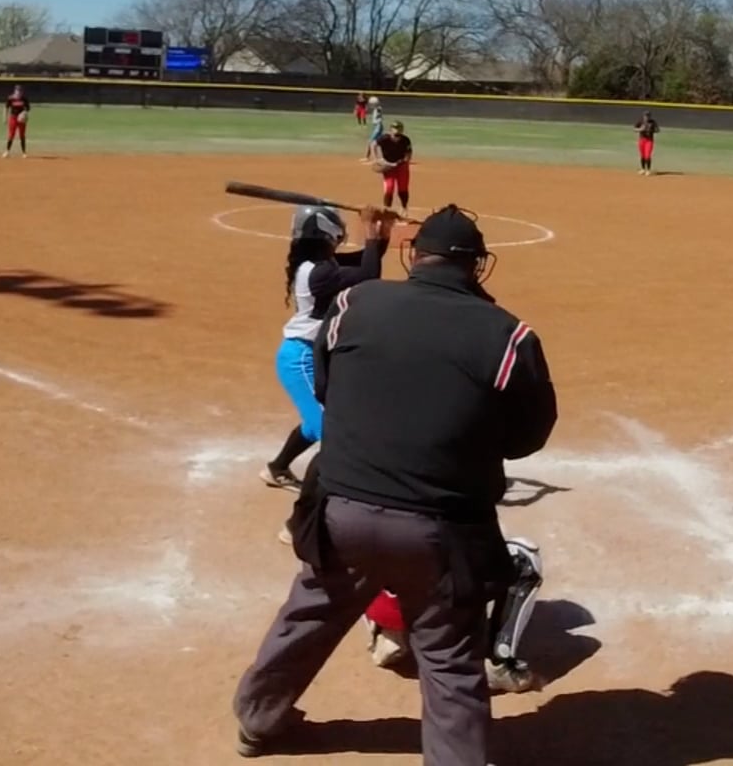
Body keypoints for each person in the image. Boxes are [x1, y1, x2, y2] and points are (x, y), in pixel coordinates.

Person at [232, 205, 558, 766]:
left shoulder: (355, 303)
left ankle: (257, 720)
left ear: (414, 255)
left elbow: (328, 387)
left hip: (340, 508)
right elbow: (527, 437)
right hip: (440, 528)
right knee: (450, 655)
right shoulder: (508, 334)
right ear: (477, 265)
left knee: (309, 613)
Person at [258, 204, 395, 493]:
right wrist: (368, 226)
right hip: (301, 359)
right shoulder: (317, 272)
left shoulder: (320, 265)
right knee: (330, 430)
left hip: (315, 356)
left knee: (318, 421)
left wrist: (383, 228)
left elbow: (367, 261)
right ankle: (320, 500)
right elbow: (369, 274)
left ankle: (277, 468)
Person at [359, 538, 546, 695]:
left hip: (384, 589)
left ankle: (385, 634)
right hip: (436, 596)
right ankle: (498, 663)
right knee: (521, 557)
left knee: (372, 530)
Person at [373, 120, 414, 214]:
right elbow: (373, 144)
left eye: (399, 129)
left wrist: (405, 160)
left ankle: (404, 208)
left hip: (401, 166)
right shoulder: (384, 138)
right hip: (388, 166)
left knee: (403, 188)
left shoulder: (405, 140)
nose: (397, 131)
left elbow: (409, 152)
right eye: (395, 129)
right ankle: (387, 210)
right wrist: (376, 159)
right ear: (391, 130)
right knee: (389, 187)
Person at [3, 84, 30, 158]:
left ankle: (24, 152)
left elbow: (28, 108)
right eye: (17, 91)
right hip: (13, 118)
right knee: (11, 135)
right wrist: (5, 117)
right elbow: (6, 107)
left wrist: (24, 114)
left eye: (20, 91)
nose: (19, 92)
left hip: (21, 120)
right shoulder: (10, 98)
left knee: (22, 135)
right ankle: (7, 151)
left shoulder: (24, 99)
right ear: (15, 91)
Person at [635, 111, 661, 175]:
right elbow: (635, 129)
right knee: (642, 155)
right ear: (643, 116)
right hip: (642, 140)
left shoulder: (652, 122)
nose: (646, 117)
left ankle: (648, 170)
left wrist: (651, 130)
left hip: (649, 140)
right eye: (645, 116)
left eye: (648, 116)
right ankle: (643, 169)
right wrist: (640, 129)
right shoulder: (640, 121)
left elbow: (658, 130)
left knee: (647, 155)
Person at [360, 96, 384, 161]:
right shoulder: (376, 109)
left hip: (378, 127)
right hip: (377, 127)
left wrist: (375, 104)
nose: (370, 105)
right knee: (378, 143)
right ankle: (374, 157)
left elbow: (379, 111)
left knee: (371, 142)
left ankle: (370, 158)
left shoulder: (378, 108)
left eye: (371, 104)